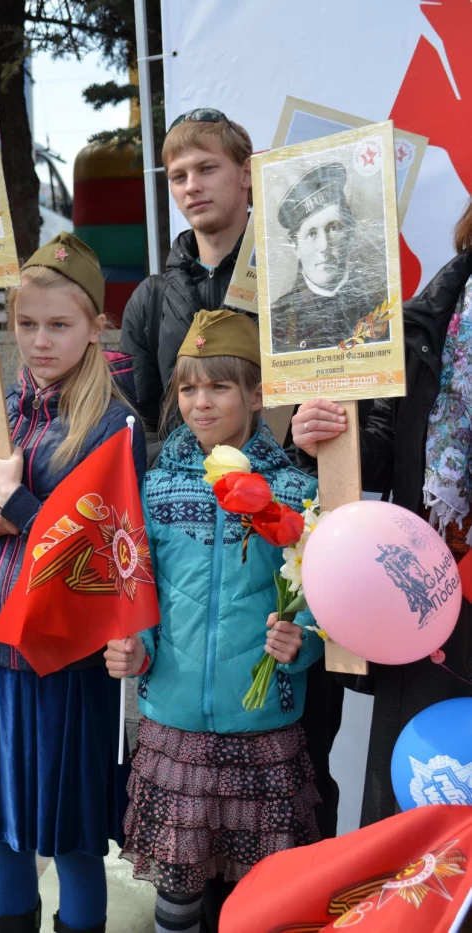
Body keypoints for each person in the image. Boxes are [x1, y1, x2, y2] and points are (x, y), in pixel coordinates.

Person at [0, 232, 146, 933]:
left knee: (72, 836)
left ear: (95, 325)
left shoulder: (113, 426)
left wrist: (18, 501)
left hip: (70, 662)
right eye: (26, 324)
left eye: (59, 324)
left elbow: (98, 559)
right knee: (2, 829)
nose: (41, 340)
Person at [105, 309, 324, 933]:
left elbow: (316, 585)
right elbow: (137, 585)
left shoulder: (291, 486)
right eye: (189, 387)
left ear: (257, 394)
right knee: (177, 890)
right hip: (173, 722)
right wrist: (136, 648)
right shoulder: (151, 486)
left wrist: (300, 639)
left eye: (220, 386)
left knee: (265, 890)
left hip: (263, 722)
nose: (201, 402)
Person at [290, 196, 472, 826]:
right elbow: (384, 451)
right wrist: (323, 435)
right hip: (437, 601)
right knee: (416, 821)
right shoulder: (432, 315)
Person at [120, 109, 253, 432]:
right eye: (178, 177)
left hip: (277, 480)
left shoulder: (292, 278)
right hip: (176, 479)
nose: (191, 186)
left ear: (246, 173)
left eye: (206, 169)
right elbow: (137, 425)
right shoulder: (150, 299)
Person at [270, 162, 388, 353]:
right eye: (311, 234)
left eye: (333, 229)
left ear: (350, 232)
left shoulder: (381, 310)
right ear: (295, 246)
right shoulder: (276, 320)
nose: (324, 246)